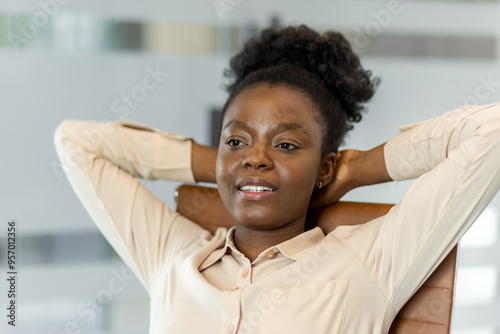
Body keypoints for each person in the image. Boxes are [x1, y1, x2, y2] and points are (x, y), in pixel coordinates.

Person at [54, 25, 500, 333]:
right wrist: (227, 160)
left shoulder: (368, 261)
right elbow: (75, 144)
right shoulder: (172, 257)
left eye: (286, 145)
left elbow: (491, 131)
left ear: (323, 167)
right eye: (237, 142)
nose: (256, 160)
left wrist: (356, 169)